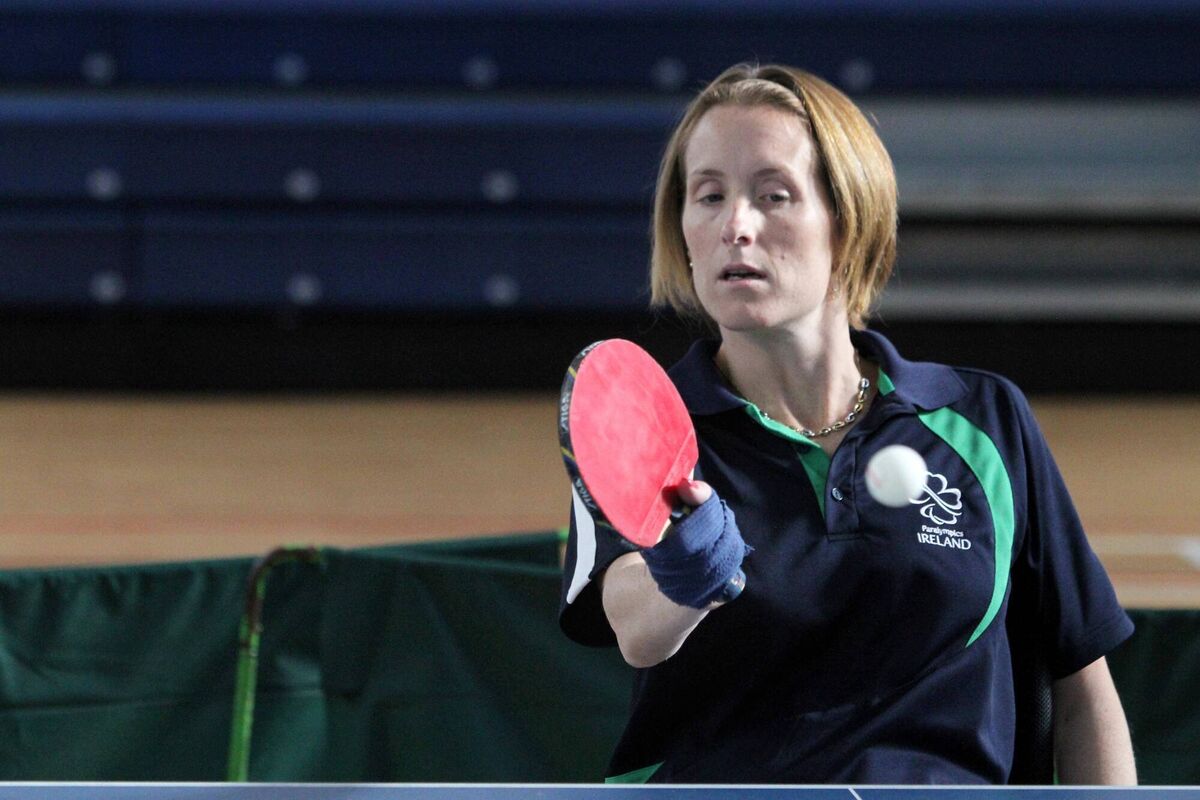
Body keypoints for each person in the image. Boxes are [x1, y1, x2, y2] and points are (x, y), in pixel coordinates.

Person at [558, 63, 1137, 785]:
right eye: (709, 196)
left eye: (774, 195)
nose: (736, 225)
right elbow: (635, 629)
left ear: (849, 216)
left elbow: (1081, 689)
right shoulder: (644, 426)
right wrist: (687, 576)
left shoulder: (980, 421)